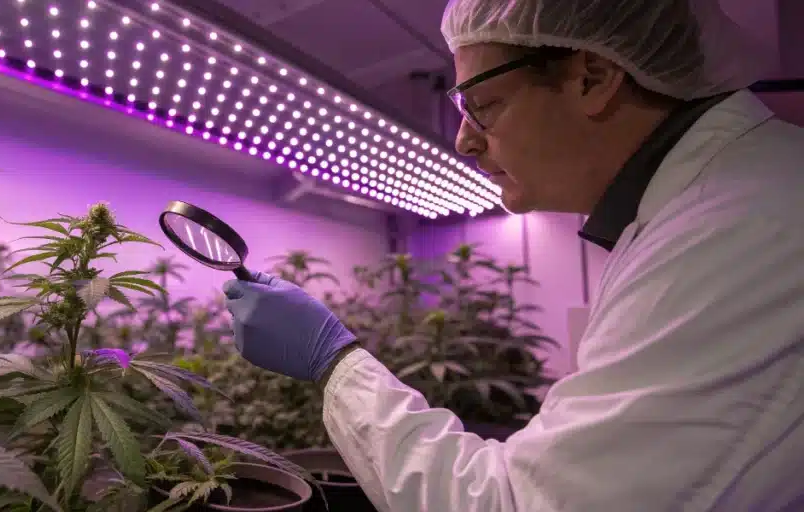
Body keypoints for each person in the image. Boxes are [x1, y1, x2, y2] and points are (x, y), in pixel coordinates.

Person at [223, 0, 804, 510]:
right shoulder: (714, 199)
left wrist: (333, 360)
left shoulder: (733, 228)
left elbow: (515, 504)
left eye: (483, 103)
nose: (464, 139)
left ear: (593, 76)